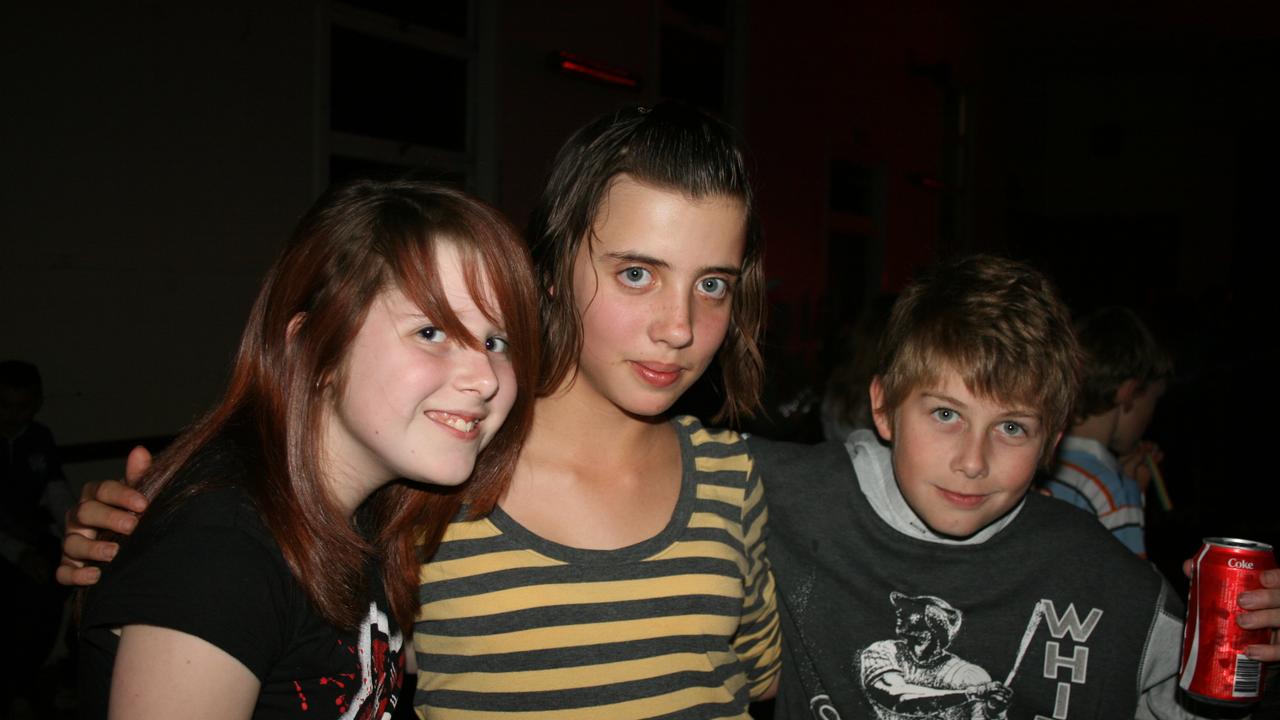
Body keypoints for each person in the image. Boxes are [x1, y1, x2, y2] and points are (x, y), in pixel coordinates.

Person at [61, 103, 781, 719]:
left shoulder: (730, 474)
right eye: (636, 273)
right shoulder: (430, 478)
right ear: (552, 272)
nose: (679, 326)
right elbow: (262, 552)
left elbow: (762, 679)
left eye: (713, 284)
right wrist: (130, 536)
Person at [75, 180, 540, 719]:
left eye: (496, 342)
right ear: (314, 347)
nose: (484, 378)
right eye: (431, 332)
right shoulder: (223, 550)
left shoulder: (360, 518)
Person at [750, 255, 1280, 719]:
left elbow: (1189, 702)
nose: (973, 461)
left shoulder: (1100, 577)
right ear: (885, 407)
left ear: (1051, 439)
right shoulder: (791, 497)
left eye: (1011, 428)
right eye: (944, 413)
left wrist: (1249, 656)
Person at [1043, 306, 1172, 557]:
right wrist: (1134, 496)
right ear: (1129, 393)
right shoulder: (1114, 491)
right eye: (1154, 401)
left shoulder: (1038, 463)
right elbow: (1130, 590)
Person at [1, 359, 74, 718]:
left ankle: (53, 675)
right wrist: (17, 553)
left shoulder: (39, 438)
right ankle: (14, 686)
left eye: (24, 406)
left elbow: (57, 494)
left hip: (36, 540)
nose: (15, 416)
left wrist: (74, 535)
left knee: (59, 584)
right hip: (5, 548)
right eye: (6, 406)